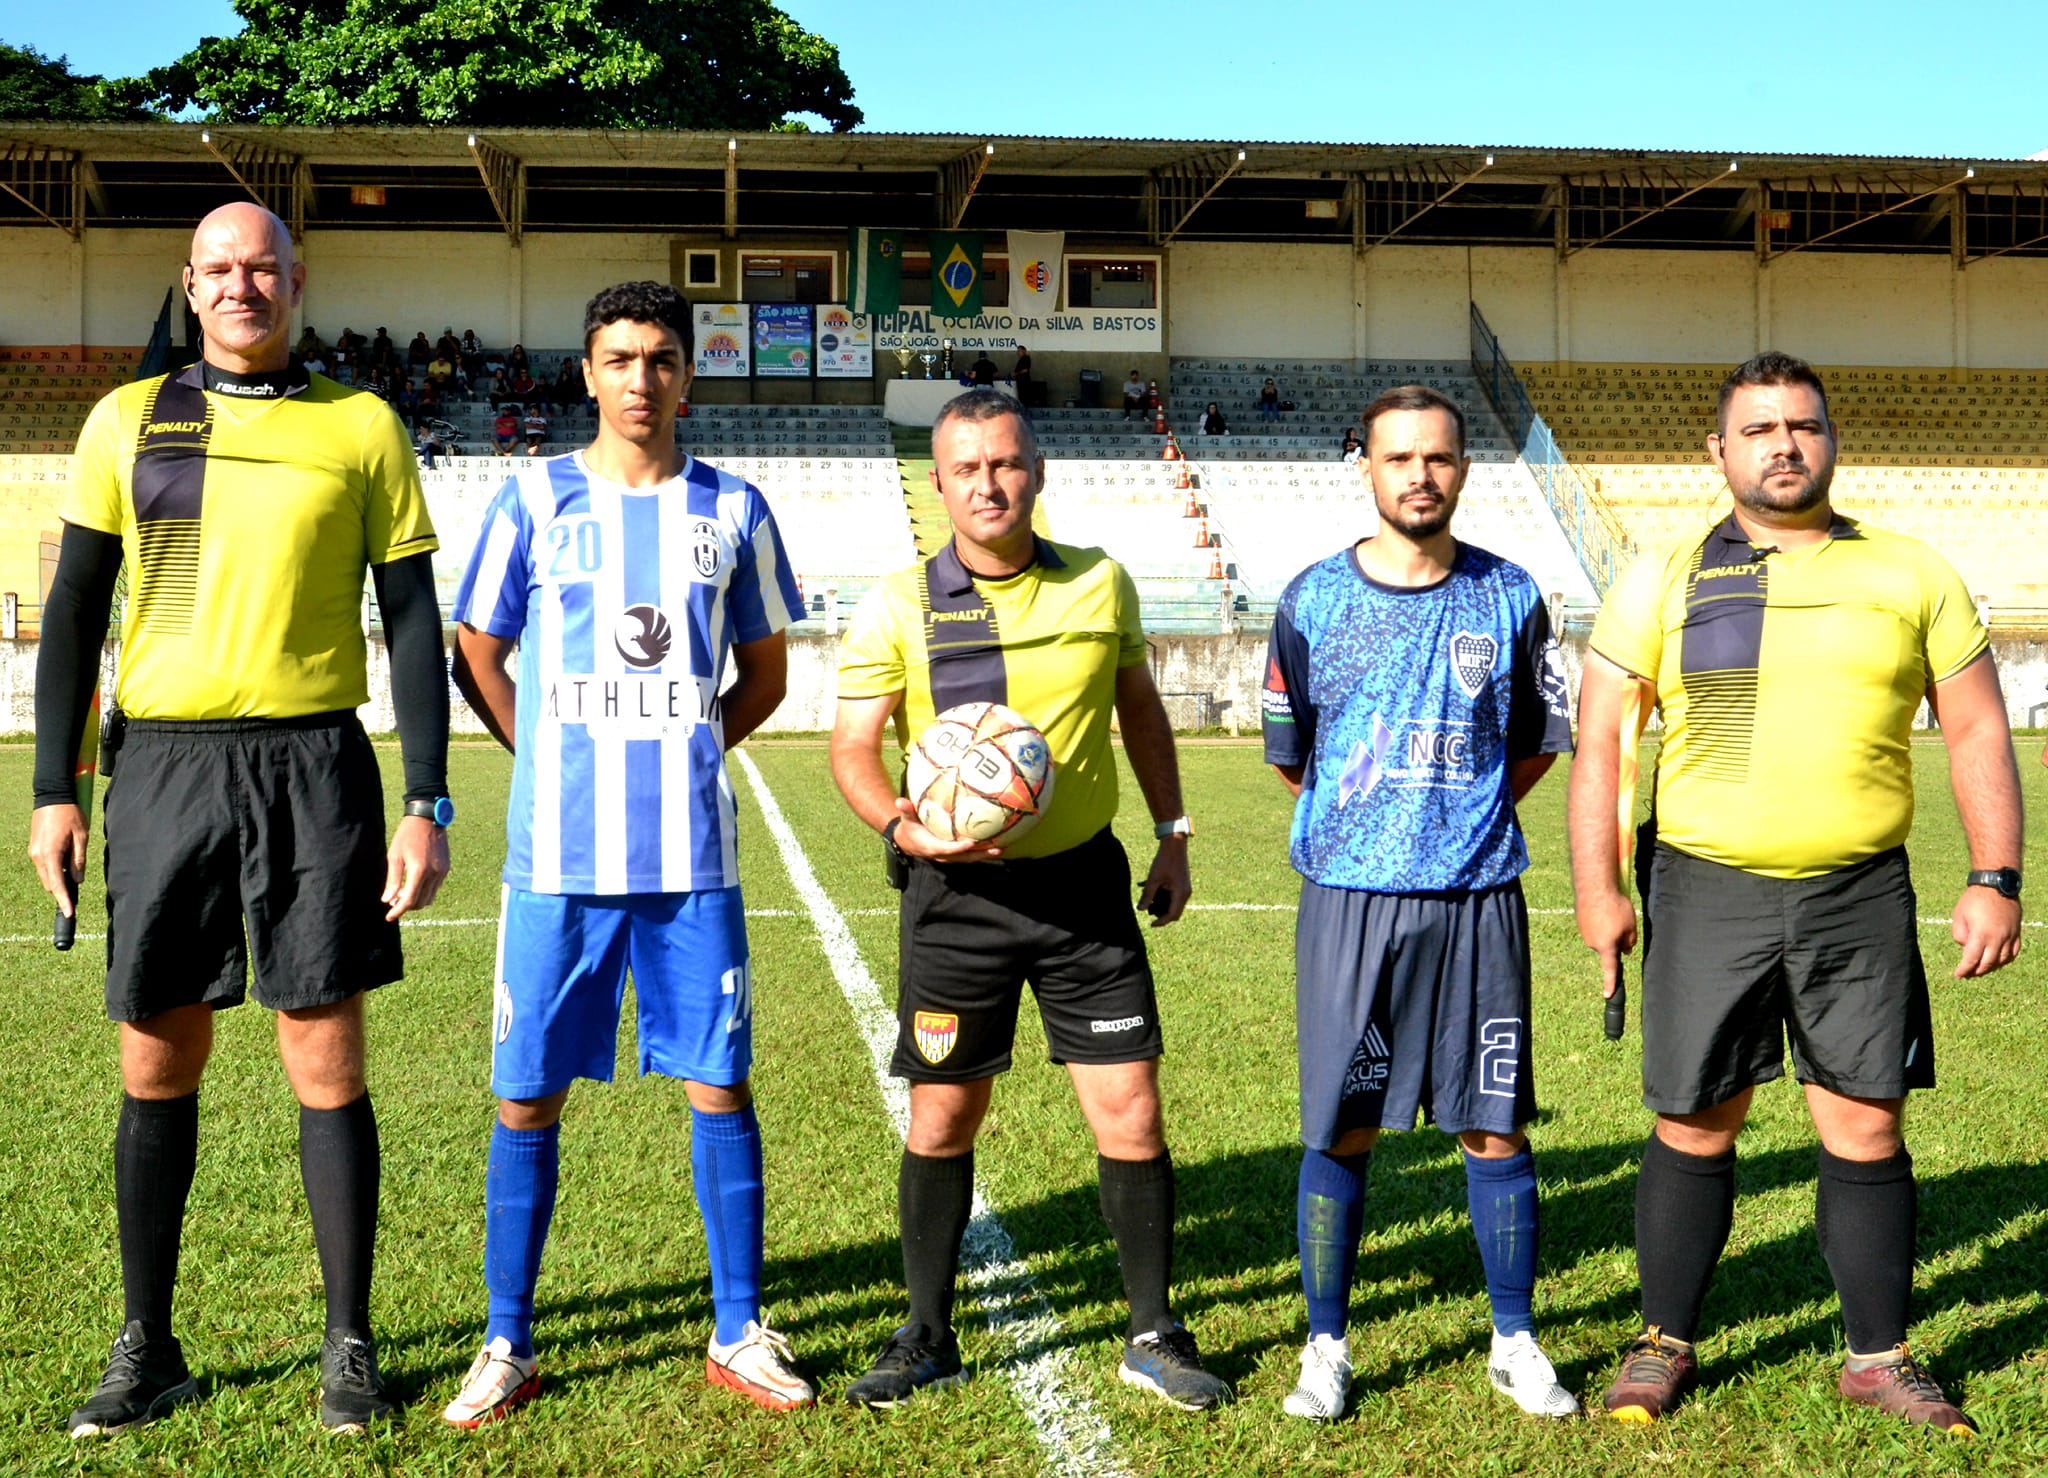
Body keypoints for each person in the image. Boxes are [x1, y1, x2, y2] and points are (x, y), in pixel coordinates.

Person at [29, 201, 451, 1438]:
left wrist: (424, 794)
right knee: (155, 1054)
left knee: (324, 1051)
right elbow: (70, 615)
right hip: (162, 763)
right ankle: (148, 1341)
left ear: (295, 278)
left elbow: (413, 619)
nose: (240, 285)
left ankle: (349, 1342)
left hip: (316, 760)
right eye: (218, 268)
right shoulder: (129, 418)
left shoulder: (362, 424)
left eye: (260, 266)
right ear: (190, 283)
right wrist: (57, 788)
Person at [1569, 352, 2022, 1436]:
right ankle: (1662, 1340)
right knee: (1693, 1120)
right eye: (1759, 427)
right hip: (1702, 884)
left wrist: (1993, 873)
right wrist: (1597, 888)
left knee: (1864, 1124)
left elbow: (1972, 727)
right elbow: (1596, 744)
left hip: (1856, 892)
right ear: (1716, 450)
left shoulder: (1910, 571)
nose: (1783, 443)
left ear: (1831, 441)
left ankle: (1876, 1356)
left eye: (1802, 425)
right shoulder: (1659, 574)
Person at [441, 280, 810, 1426]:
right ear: (586, 373)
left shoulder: (735, 506)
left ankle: (739, 1324)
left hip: (690, 857)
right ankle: (506, 1337)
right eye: (618, 357)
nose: (640, 378)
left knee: (718, 1077)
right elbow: (478, 642)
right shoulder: (531, 498)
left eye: (660, 358)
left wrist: (690, 741)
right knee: (526, 1095)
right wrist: (542, 745)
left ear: (686, 374)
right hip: (555, 858)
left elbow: (766, 670)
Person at [829, 387, 1228, 1413]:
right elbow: (851, 748)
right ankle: (924, 1328)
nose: (986, 483)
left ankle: (1150, 1328)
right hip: (954, 892)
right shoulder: (897, 601)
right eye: (964, 468)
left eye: (1004, 463)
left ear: (1036, 472)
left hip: (1082, 889)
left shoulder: (1101, 584)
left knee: (1129, 1109)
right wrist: (898, 825)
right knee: (943, 1110)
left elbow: (1138, 710)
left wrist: (1172, 832)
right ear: (938, 483)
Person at [1261, 384, 1579, 1424]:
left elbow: (1535, 740)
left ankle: (1513, 1337)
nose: (1417, 475)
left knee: (1493, 1123)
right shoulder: (1310, 599)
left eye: (1436, 457)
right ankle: (1324, 1343)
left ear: (1462, 470)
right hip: (1350, 901)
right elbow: (1292, 755)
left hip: (1478, 897)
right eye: (1397, 457)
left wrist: (1459, 815)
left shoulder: (1511, 595)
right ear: (1365, 464)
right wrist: (1371, 828)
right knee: (1341, 1124)